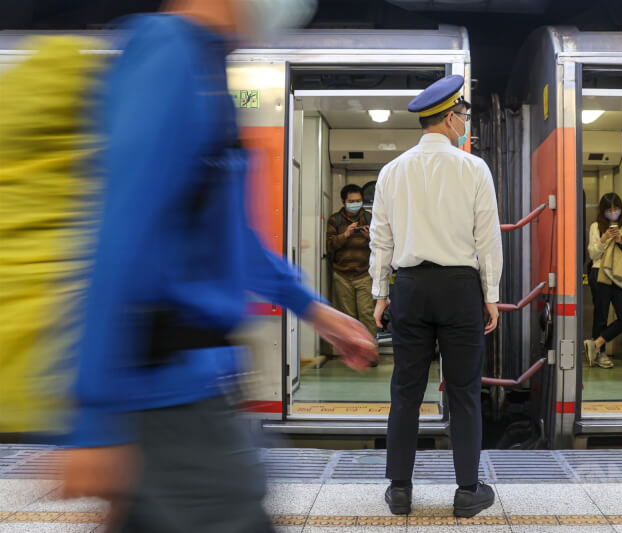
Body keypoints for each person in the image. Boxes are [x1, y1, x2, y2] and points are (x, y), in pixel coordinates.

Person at [60, 1, 377, 531]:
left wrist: (318, 312)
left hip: (194, 391)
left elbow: (235, 240)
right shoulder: (167, 52)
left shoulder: (207, 67)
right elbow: (119, 229)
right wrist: (93, 422)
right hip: (166, 396)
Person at [369, 74, 503, 518]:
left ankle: (400, 491)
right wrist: (492, 293)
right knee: (464, 391)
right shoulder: (473, 168)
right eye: (463, 115)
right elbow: (488, 240)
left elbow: (381, 240)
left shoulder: (392, 171)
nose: (465, 122)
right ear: (449, 117)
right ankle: (468, 492)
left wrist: (378, 293)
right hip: (460, 289)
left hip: (408, 288)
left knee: (405, 390)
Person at [585, 192, 622, 369]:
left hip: (620, 275)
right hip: (599, 273)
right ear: (602, 212)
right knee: (600, 315)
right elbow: (593, 254)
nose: (612, 212)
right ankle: (599, 355)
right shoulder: (597, 226)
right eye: (608, 209)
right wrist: (604, 239)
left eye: (615, 209)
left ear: (621, 209)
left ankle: (596, 344)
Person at [327, 184, 377, 340]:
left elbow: (382, 244)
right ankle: (354, 350)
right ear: (344, 202)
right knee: (347, 317)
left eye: (359, 200)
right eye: (352, 201)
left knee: (367, 314)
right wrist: (345, 234)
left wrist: (370, 237)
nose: (355, 204)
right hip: (342, 275)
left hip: (365, 274)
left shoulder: (370, 218)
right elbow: (329, 245)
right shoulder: (335, 220)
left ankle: (369, 349)